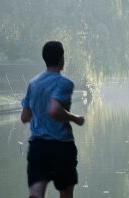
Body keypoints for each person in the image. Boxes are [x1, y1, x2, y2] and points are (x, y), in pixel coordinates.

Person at [20, 40, 85, 198]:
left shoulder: (33, 83)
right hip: (61, 146)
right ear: (62, 59)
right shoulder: (64, 83)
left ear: (45, 59)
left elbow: (25, 116)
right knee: (65, 192)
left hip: (38, 146)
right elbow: (54, 110)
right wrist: (75, 118)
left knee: (36, 192)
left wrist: (39, 111)